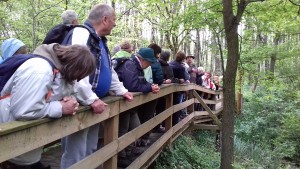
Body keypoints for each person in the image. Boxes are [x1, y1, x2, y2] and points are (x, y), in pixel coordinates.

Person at [60, 4, 133, 169]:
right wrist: (91, 99)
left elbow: (108, 70)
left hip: (95, 103)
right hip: (79, 104)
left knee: (90, 149)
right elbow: (75, 70)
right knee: (75, 154)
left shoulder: (100, 40)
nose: (115, 24)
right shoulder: (81, 33)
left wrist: (122, 91)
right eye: (114, 20)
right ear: (105, 19)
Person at [0, 44, 96, 169]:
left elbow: (51, 96)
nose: (78, 79)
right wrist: (61, 107)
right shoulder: (40, 70)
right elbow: (24, 111)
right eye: (80, 74)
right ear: (75, 67)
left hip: (27, 144)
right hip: (12, 139)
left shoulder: (58, 71)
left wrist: (69, 100)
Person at [115, 47, 159, 167]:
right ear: (143, 60)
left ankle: (127, 152)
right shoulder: (130, 65)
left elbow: (142, 82)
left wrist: (150, 86)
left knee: (136, 128)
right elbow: (132, 86)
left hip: (130, 105)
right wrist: (149, 88)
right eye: (149, 62)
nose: (149, 65)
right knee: (123, 130)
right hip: (122, 104)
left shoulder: (137, 67)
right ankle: (120, 156)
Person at [169, 51, 189, 125]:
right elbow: (184, 78)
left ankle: (166, 124)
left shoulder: (169, 64)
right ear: (183, 58)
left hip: (168, 89)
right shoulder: (181, 67)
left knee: (167, 107)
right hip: (177, 90)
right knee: (176, 107)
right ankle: (174, 124)